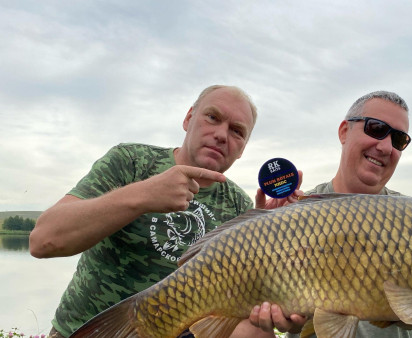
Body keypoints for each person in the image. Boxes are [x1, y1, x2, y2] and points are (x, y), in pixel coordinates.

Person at [29, 85, 286, 338]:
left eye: (237, 131)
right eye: (212, 117)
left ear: (242, 148)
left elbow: (233, 314)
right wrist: (142, 195)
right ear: (188, 119)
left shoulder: (238, 205)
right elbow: (43, 241)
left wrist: (272, 231)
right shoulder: (131, 161)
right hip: (89, 331)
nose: (221, 134)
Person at [250, 91, 412, 337]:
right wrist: (256, 236)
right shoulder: (294, 216)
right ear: (344, 131)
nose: (385, 146)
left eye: (399, 139)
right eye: (375, 128)